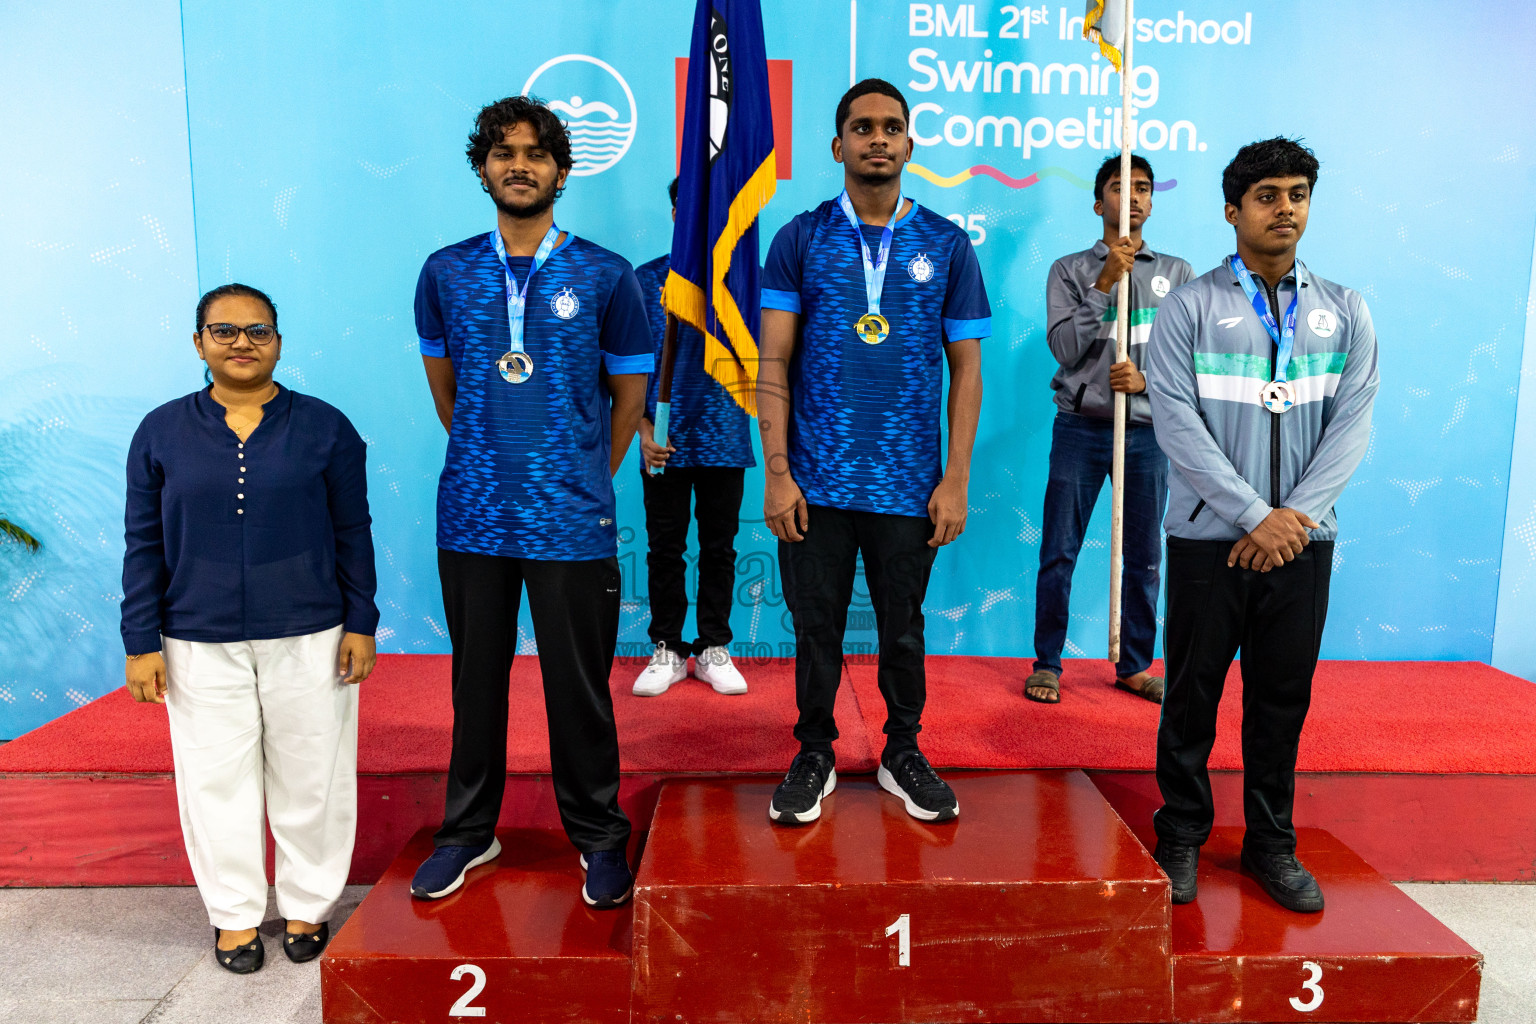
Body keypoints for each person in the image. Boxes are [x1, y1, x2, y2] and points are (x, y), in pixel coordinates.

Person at [411, 96, 651, 908]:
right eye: (504, 152)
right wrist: (495, 460)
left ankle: (600, 837)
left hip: (571, 522)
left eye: (536, 153)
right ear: (482, 168)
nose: (520, 165)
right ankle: (467, 833)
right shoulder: (445, 272)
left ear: (562, 171)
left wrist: (579, 475)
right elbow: (449, 394)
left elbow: (628, 401)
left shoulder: (607, 275)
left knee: (577, 691)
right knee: (475, 686)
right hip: (473, 516)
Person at [1145, 138, 1378, 912]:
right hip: (1209, 542)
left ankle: (1271, 844)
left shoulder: (1345, 309)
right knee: (1191, 698)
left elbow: (1352, 427)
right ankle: (1181, 832)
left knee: (1282, 702)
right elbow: (1176, 424)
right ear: (1232, 210)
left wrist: (1294, 519)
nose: (1285, 209)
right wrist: (1254, 516)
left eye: (1298, 194)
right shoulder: (1188, 307)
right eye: (1268, 195)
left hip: (1303, 546)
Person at [121, 283, 378, 974]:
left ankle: (308, 905)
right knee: (215, 781)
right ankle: (233, 915)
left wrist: (361, 621)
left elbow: (353, 531)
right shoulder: (160, 431)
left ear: (279, 343)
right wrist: (141, 641)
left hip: (311, 632)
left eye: (258, 330)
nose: (242, 342)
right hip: (195, 636)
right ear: (198, 342)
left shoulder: (325, 427)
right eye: (225, 330)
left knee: (313, 775)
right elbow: (143, 543)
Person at [758, 79, 989, 825]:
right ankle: (814, 752)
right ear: (839, 146)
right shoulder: (799, 238)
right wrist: (779, 475)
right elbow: (772, 361)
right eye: (863, 128)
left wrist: (955, 479)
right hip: (815, 482)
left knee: (903, 629)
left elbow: (967, 371)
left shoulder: (947, 244)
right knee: (815, 627)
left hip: (909, 484)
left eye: (892, 127)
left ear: (911, 144)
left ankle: (903, 751)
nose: (878, 138)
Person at [1025, 154, 1193, 706]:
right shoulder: (1069, 270)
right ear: (1100, 203)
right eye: (1121, 188)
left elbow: (1191, 361)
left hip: (1147, 434)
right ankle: (1047, 663)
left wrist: (1146, 381)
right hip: (1080, 429)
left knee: (1144, 557)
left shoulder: (1178, 274)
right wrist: (1103, 284)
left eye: (1143, 188)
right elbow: (1065, 349)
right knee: (1059, 550)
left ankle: (1135, 665)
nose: (1134, 197)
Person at [631, 177, 755, 698]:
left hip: (726, 440)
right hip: (664, 443)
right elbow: (625, 371)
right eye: (691, 209)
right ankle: (667, 648)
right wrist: (642, 430)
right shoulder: (645, 281)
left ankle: (713, 648)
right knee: (665, 549)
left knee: (719, 549)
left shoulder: (745, 284)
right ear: (676, 214)